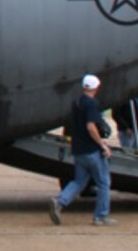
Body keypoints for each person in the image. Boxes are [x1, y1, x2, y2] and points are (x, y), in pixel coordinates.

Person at [49, 74, 116, 227]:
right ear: (96, 87)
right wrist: (102, 145)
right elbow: (91, 126)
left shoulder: (77, 102)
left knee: (79, 181)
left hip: (78, 150)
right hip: (91, 150)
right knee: (104, 182)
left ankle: (59, 202)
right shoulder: (91, 104)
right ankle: (101, 216)